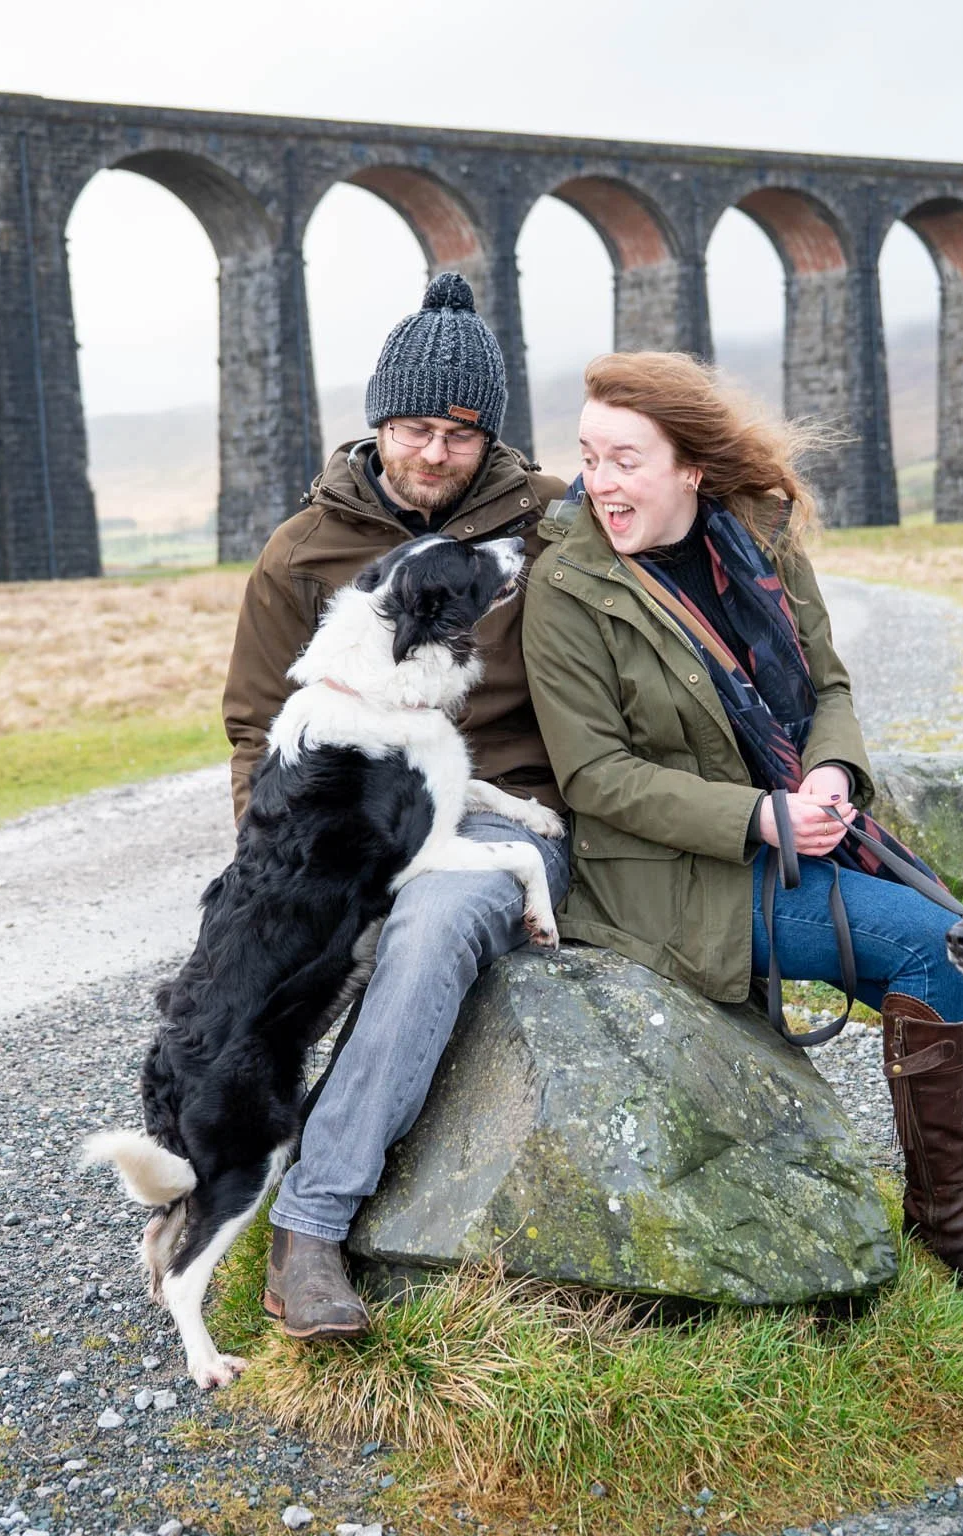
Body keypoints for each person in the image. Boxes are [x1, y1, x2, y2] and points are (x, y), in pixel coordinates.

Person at [520, 351, 963, 1349]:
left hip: (799, 831)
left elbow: (828, 689)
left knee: (941, 972)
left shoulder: (762, 543)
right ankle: (959, 1222)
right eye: (587, 457)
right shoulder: (570, 585)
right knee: (930, 944)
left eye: (625, 459)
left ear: (692, 465)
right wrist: (759, 818)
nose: (599, 481)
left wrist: (829, 777)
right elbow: (595, 778)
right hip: (664, 879)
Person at [221, 271, 570, 1341]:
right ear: (377, 424)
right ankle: (211, 1191)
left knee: (426, 928)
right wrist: (286, 864)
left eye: (461, 436)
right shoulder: (301, 554)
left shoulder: (554, 527)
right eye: (415, 427)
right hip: (353, 821)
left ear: (489, 440)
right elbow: (253, 726)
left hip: (507, 812)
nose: (434, 453)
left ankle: (309, 1229)